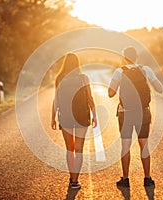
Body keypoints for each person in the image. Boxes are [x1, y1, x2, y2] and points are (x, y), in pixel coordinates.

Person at [108, 46, 163, 188]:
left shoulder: (119, 71)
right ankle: (147, 178)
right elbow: (160, 89)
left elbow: (110, 93)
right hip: (143, 112)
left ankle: (125, 179)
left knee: (125, 146)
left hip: (125, 113)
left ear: (124, 57)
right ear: (136, 57)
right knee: (144, 145)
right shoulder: (146, 70)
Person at [51, 53, 97, 189]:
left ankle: (71, 178)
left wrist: (52, 117)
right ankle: (75, 180)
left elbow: (56, 99)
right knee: (79, 150)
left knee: (69, 149)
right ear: (78, 64)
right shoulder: (83, 78)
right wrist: (95, 115)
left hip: (65, 116)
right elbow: (90, 98)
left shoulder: (59, 78)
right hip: (82, 116)